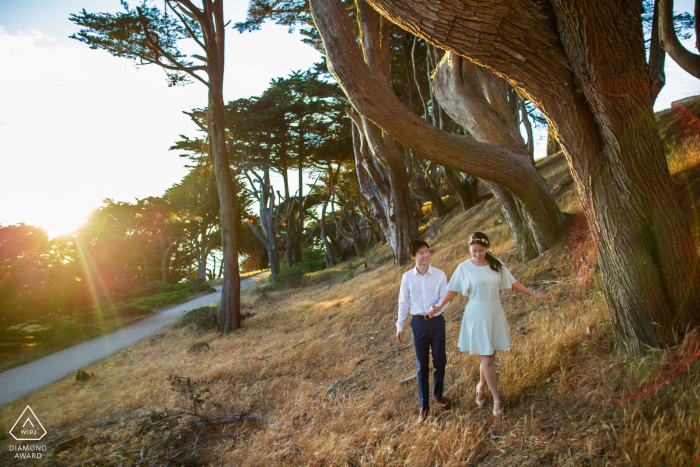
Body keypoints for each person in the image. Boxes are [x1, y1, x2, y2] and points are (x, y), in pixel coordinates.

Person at [429, 232, 551, 417]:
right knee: (486, 358)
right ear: (469, 250)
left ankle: (480, 387)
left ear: (487, 248)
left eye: (481, 250)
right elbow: (452, 289)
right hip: (476, 314)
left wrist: (532, 294)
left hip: (494, 312)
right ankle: (496, 398)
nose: (477, 254)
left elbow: (513, 282)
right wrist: (439, 306)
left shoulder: (495, 263)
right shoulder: (463, 267)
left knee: (489, 357)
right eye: (473, 251)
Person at [396, 239, 452, 424]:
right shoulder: (407, 277)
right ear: (413, 257)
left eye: (427, 251)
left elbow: (445, 297)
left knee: (440, 361)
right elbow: (404, 303)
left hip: (436, 322)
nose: (426, 254)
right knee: (422, 366)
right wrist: (400, 326)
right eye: (421, 252)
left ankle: (438, 395)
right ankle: (424, 406)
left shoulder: (440, 275)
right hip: (418, 324)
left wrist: (438, 308)